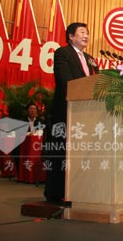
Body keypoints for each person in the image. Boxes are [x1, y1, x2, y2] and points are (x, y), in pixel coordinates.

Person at [45, 22, 98, 204]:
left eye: (87, 33)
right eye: (82, 32)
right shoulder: (63, 53)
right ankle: (55, 193)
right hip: (66, 110)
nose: (86, 36)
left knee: (80, 154)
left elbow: (96, 82)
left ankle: (78, 191)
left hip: (86, 113)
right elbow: (64, 81)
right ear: (71, 36)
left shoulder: (90, 58)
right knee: (61, 152)